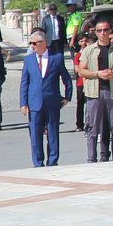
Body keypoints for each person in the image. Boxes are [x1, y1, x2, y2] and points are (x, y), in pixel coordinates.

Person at [17, 33, 71, 167]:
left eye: (35, 43)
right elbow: (24, 82)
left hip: (52, 102)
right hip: (34, 103)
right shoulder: (29, 60)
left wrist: (67, 97)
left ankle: (52, 160)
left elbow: (66, 78)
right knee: (35, 134)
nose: (32, 46)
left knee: (53, 132)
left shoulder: (56, 58)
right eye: (31, 43)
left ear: (43, 43)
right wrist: (23, 103)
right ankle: (38, 162)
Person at [78, 20, 113, 163]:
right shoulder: (89, 50)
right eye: (99, 31)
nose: (103, 33)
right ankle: (91, 157)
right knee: (93, 126)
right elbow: (81, 70)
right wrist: (98, 74)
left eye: (105, 30)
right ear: (95, 32)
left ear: (110, 31)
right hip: (94, 92)